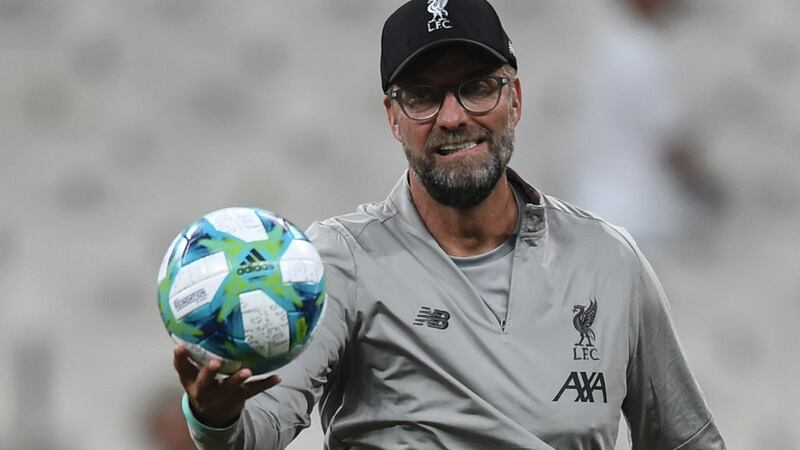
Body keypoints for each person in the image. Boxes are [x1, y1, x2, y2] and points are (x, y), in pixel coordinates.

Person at [172, 0, 726, 448]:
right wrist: (215, 417)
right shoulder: (340, 260)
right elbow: (257, 430)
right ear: (393, 118)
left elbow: (685, 440)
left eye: (477, 86)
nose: (454, 115)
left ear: (515, 98)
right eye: (423, 95)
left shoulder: (610, 261)